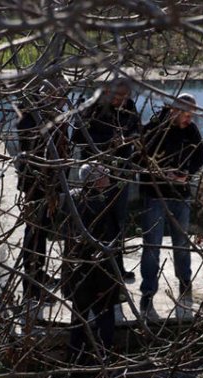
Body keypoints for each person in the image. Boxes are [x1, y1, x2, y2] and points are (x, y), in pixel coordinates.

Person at [137, 93, 203, 319]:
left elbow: (201, 155)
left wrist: (187, 174)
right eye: (186, 113)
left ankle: (184, 281)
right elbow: (139, 160)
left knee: (181, 241)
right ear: (174, 110)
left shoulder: (191, 130)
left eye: (192, 114)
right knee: (152, 244)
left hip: (180, 193)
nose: (190, 118)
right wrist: (160, 173)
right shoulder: (153, 128)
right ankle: (148, 291)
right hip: (154, 194)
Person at [71, 78, 141, 281]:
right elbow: (78, 137)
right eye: (118, 96)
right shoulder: (91, 107)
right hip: (96, 175)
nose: (122, 101)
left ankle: (116, 267)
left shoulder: (128, 107)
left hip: (119, 175)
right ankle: (92, 265)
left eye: (125, 97)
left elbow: (137, 129)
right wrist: (108, 142)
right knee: (95, 220)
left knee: (118, 222)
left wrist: (130, 138)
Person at [62, 163, 123, 364]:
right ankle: (106, 360)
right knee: (105, 319)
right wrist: (107, 283)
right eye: (104, 174)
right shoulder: (102, 204)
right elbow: (107, 245)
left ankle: (74, 360)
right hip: (97, 275)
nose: (108, 176)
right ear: (95, 180)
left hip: (76, 273)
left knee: (78, 321)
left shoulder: (72, 198)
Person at [15, 80, 69, 302]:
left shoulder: (53, 115)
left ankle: (38, 275)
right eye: (59, 95)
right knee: (34, 235)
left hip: (51, 185)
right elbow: (29, 139)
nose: (63, 100)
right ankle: (32, 287)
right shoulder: (32, 117)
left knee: (41, 234)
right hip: (36, 185)